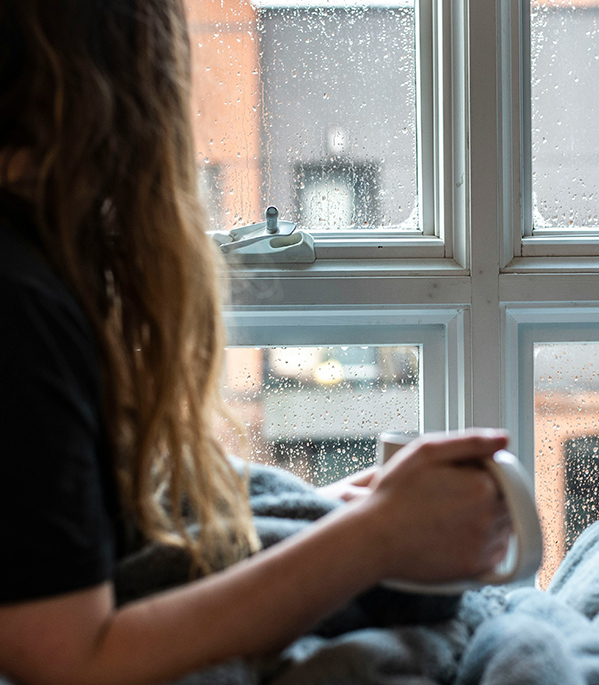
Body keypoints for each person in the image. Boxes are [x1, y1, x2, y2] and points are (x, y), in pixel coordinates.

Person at [0, 2, 512, 683]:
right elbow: (68, 657)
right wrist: (375, 535)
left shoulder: (33, 272)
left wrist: (337, 514)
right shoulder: (19, 304)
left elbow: (58, 554)